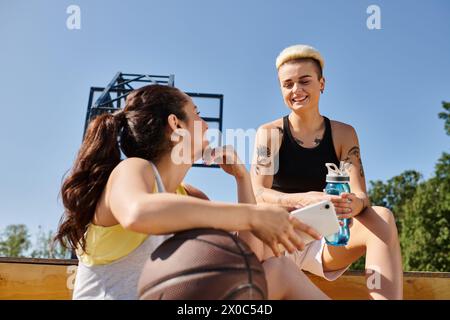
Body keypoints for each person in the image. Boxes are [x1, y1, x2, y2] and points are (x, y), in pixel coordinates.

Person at [55, 84, 327, 300]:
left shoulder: (192, 198)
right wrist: (252, 216)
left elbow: (247, 258)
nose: (206, 124)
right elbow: (137, 212)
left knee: (280, 270)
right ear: (176, 124)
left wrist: (242, 179)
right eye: (196, 113)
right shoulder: (133, 170)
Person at [251, 44, 403, 300]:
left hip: (326, 240)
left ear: (322, 83)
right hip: (280, 241)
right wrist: (304, 198)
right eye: (288, 84)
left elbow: (362, 196)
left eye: (304, 81)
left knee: (383, 216)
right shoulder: (270, 134)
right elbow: (258, 193)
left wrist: (352, 204)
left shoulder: (344, 133)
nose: (296, 90)